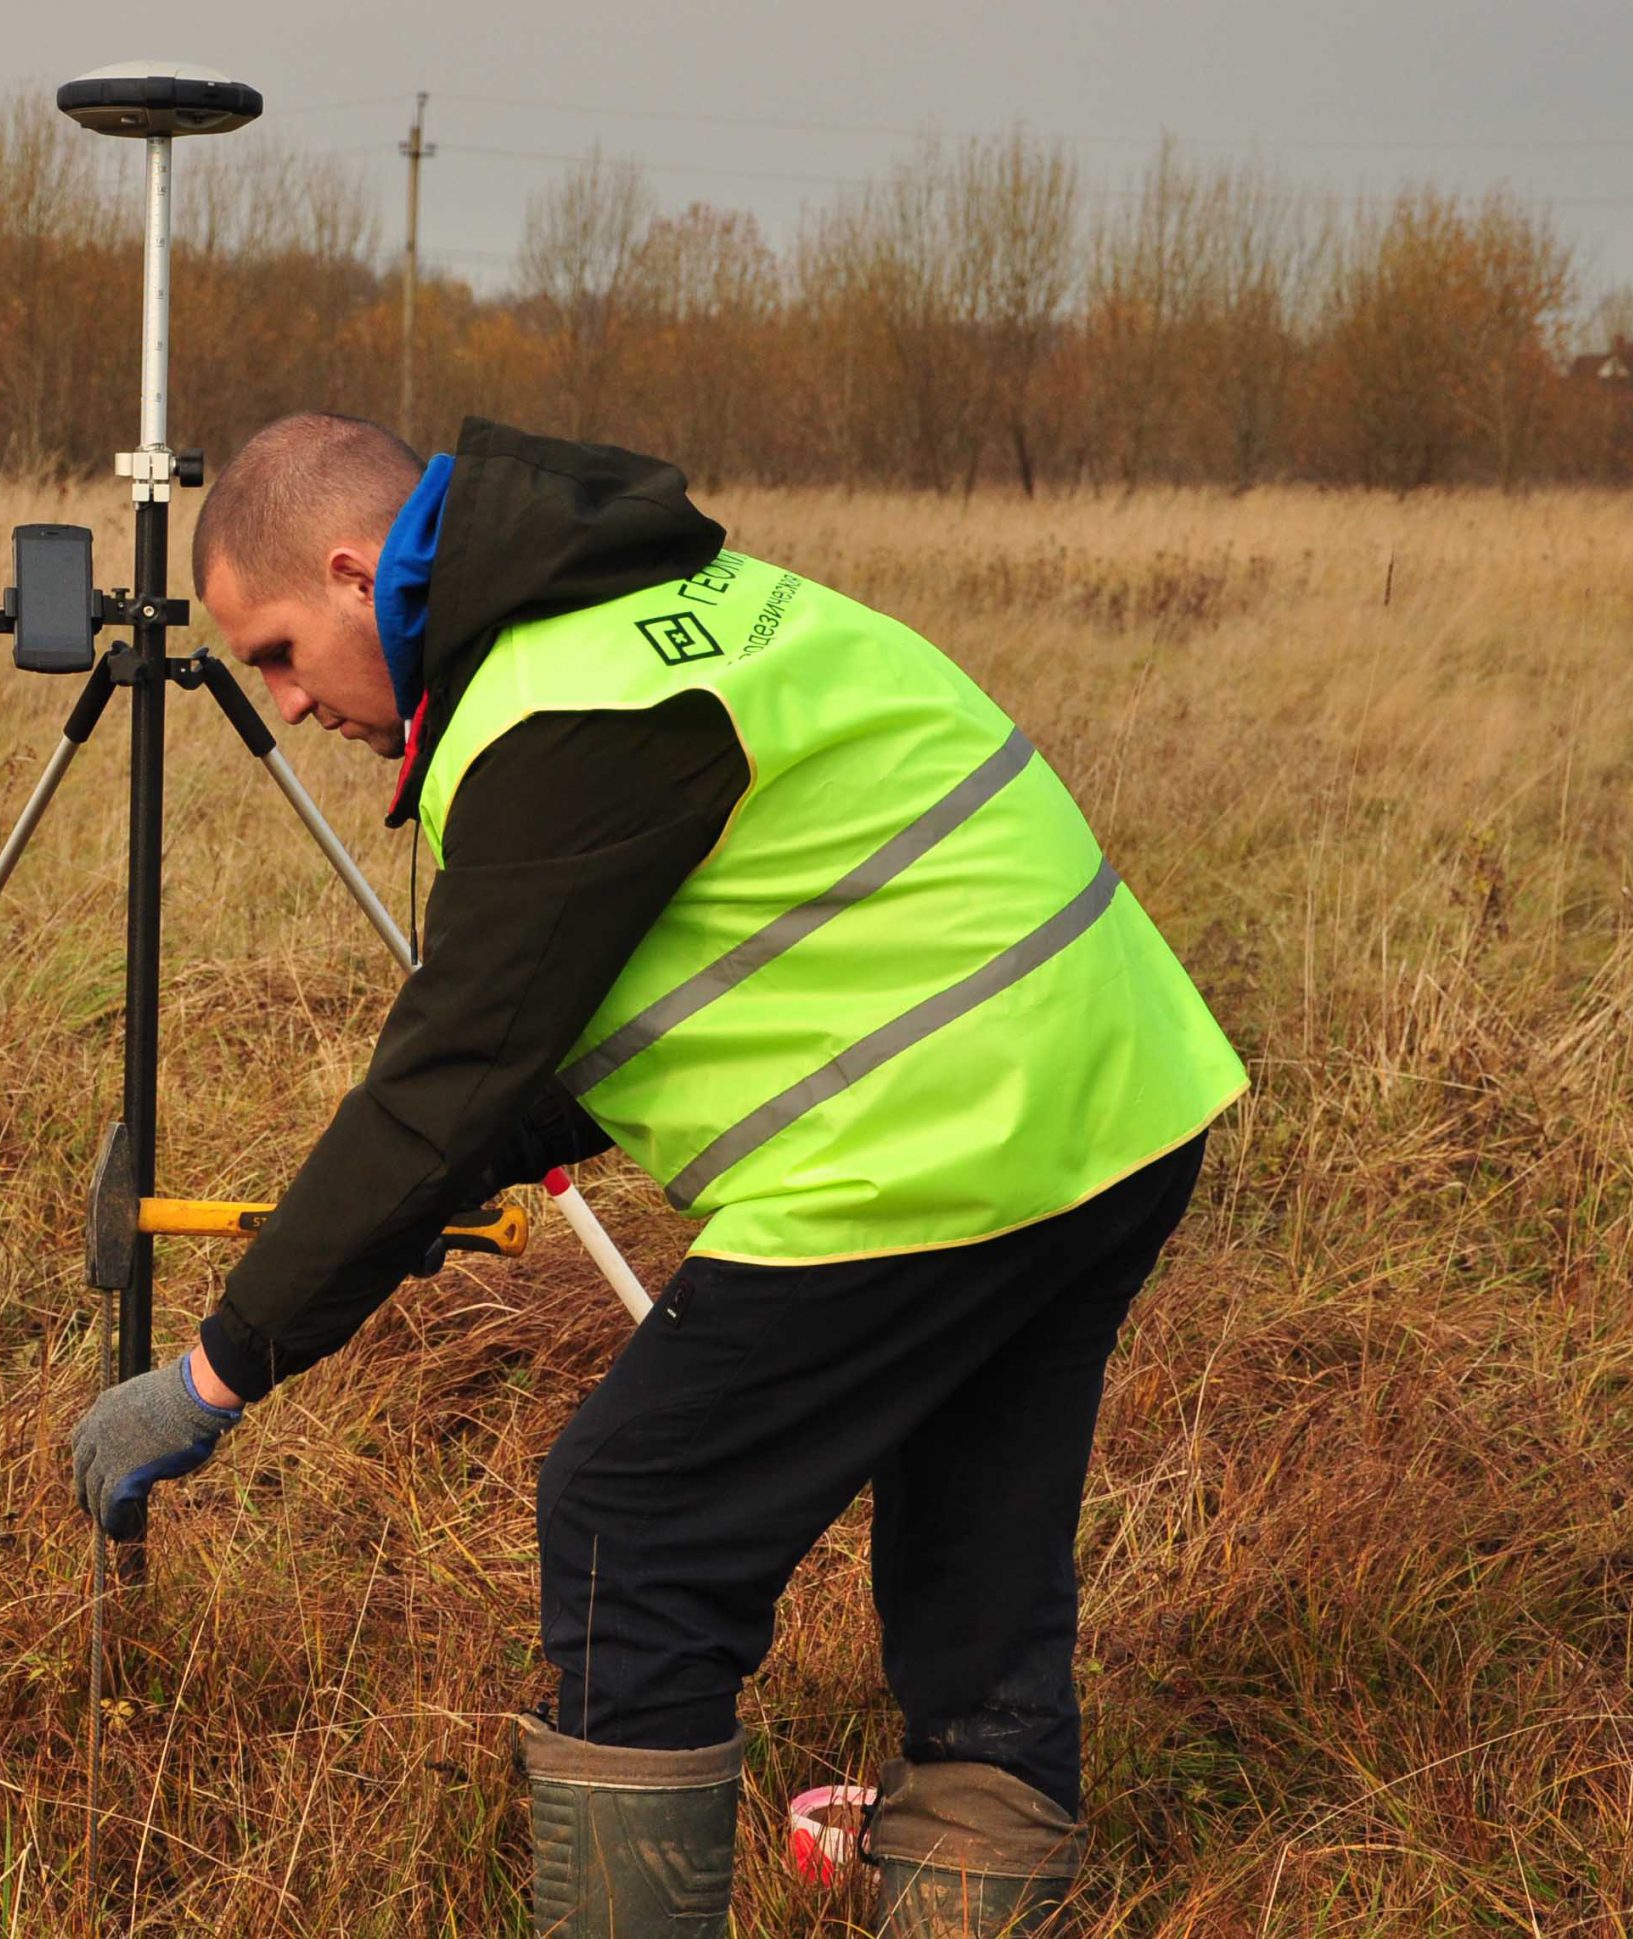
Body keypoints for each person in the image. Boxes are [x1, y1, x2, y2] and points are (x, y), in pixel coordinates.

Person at [68, 413, 1246, 1937]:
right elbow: (606, 1020)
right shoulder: (643, 600)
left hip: (938, 1138)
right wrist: (397, 1207)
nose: (287, 705)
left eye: (282, 653)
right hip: (1114, 1096)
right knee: (975, 1519)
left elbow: (447, 1082)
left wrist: (212, 1377)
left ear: (359, 576)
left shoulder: (561, 708)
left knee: (635, 1521)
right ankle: (974, 1889)